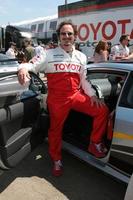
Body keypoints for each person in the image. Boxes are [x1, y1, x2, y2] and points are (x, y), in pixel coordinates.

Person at [17, 21, 109, 176]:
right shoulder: (48, 53)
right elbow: (30, 65)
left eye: (70, 34)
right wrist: (23, 68)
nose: (66, 36)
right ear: (59, 36)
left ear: (74, 36)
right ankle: (56, 159)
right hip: (57, 99)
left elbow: (84, 80)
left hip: (75, 94)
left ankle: (95, 143)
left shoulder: (81, 56)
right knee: (55, 130)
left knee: (102, 110)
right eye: (63, 34)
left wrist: (93, 95)